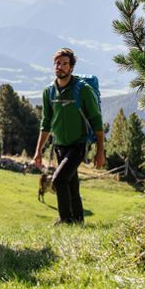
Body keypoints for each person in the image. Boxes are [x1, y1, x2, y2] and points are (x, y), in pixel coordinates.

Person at [33, 48, 105, 225]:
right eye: (58, 63)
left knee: (58, 179)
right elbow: (46, 123)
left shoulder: (83, 90)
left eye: (65, 64)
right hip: (59, 145)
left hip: (78, 145)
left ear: (71, 68)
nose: (60, 67)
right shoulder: (49, 92)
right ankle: (78, 221)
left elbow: (96, 121)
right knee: (71, 184)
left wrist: (100, 151)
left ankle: (65, 220)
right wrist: (38, 151)